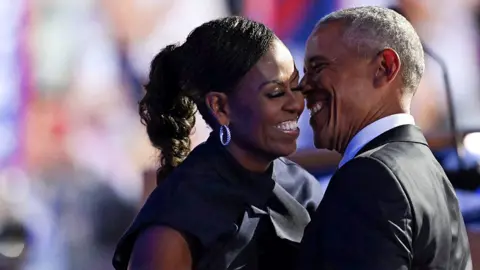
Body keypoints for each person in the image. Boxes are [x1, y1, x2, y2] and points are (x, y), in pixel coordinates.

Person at [112, 16, 323, 270]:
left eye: (296, 86)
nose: (296, 104)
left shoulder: (302, 188)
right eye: (276, 93)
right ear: (220, 107)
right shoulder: (173, 224)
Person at [297, 6, 471, 270]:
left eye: (318, 67)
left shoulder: (369, 177)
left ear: (384, 67)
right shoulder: (432, 172)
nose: (304, 85)